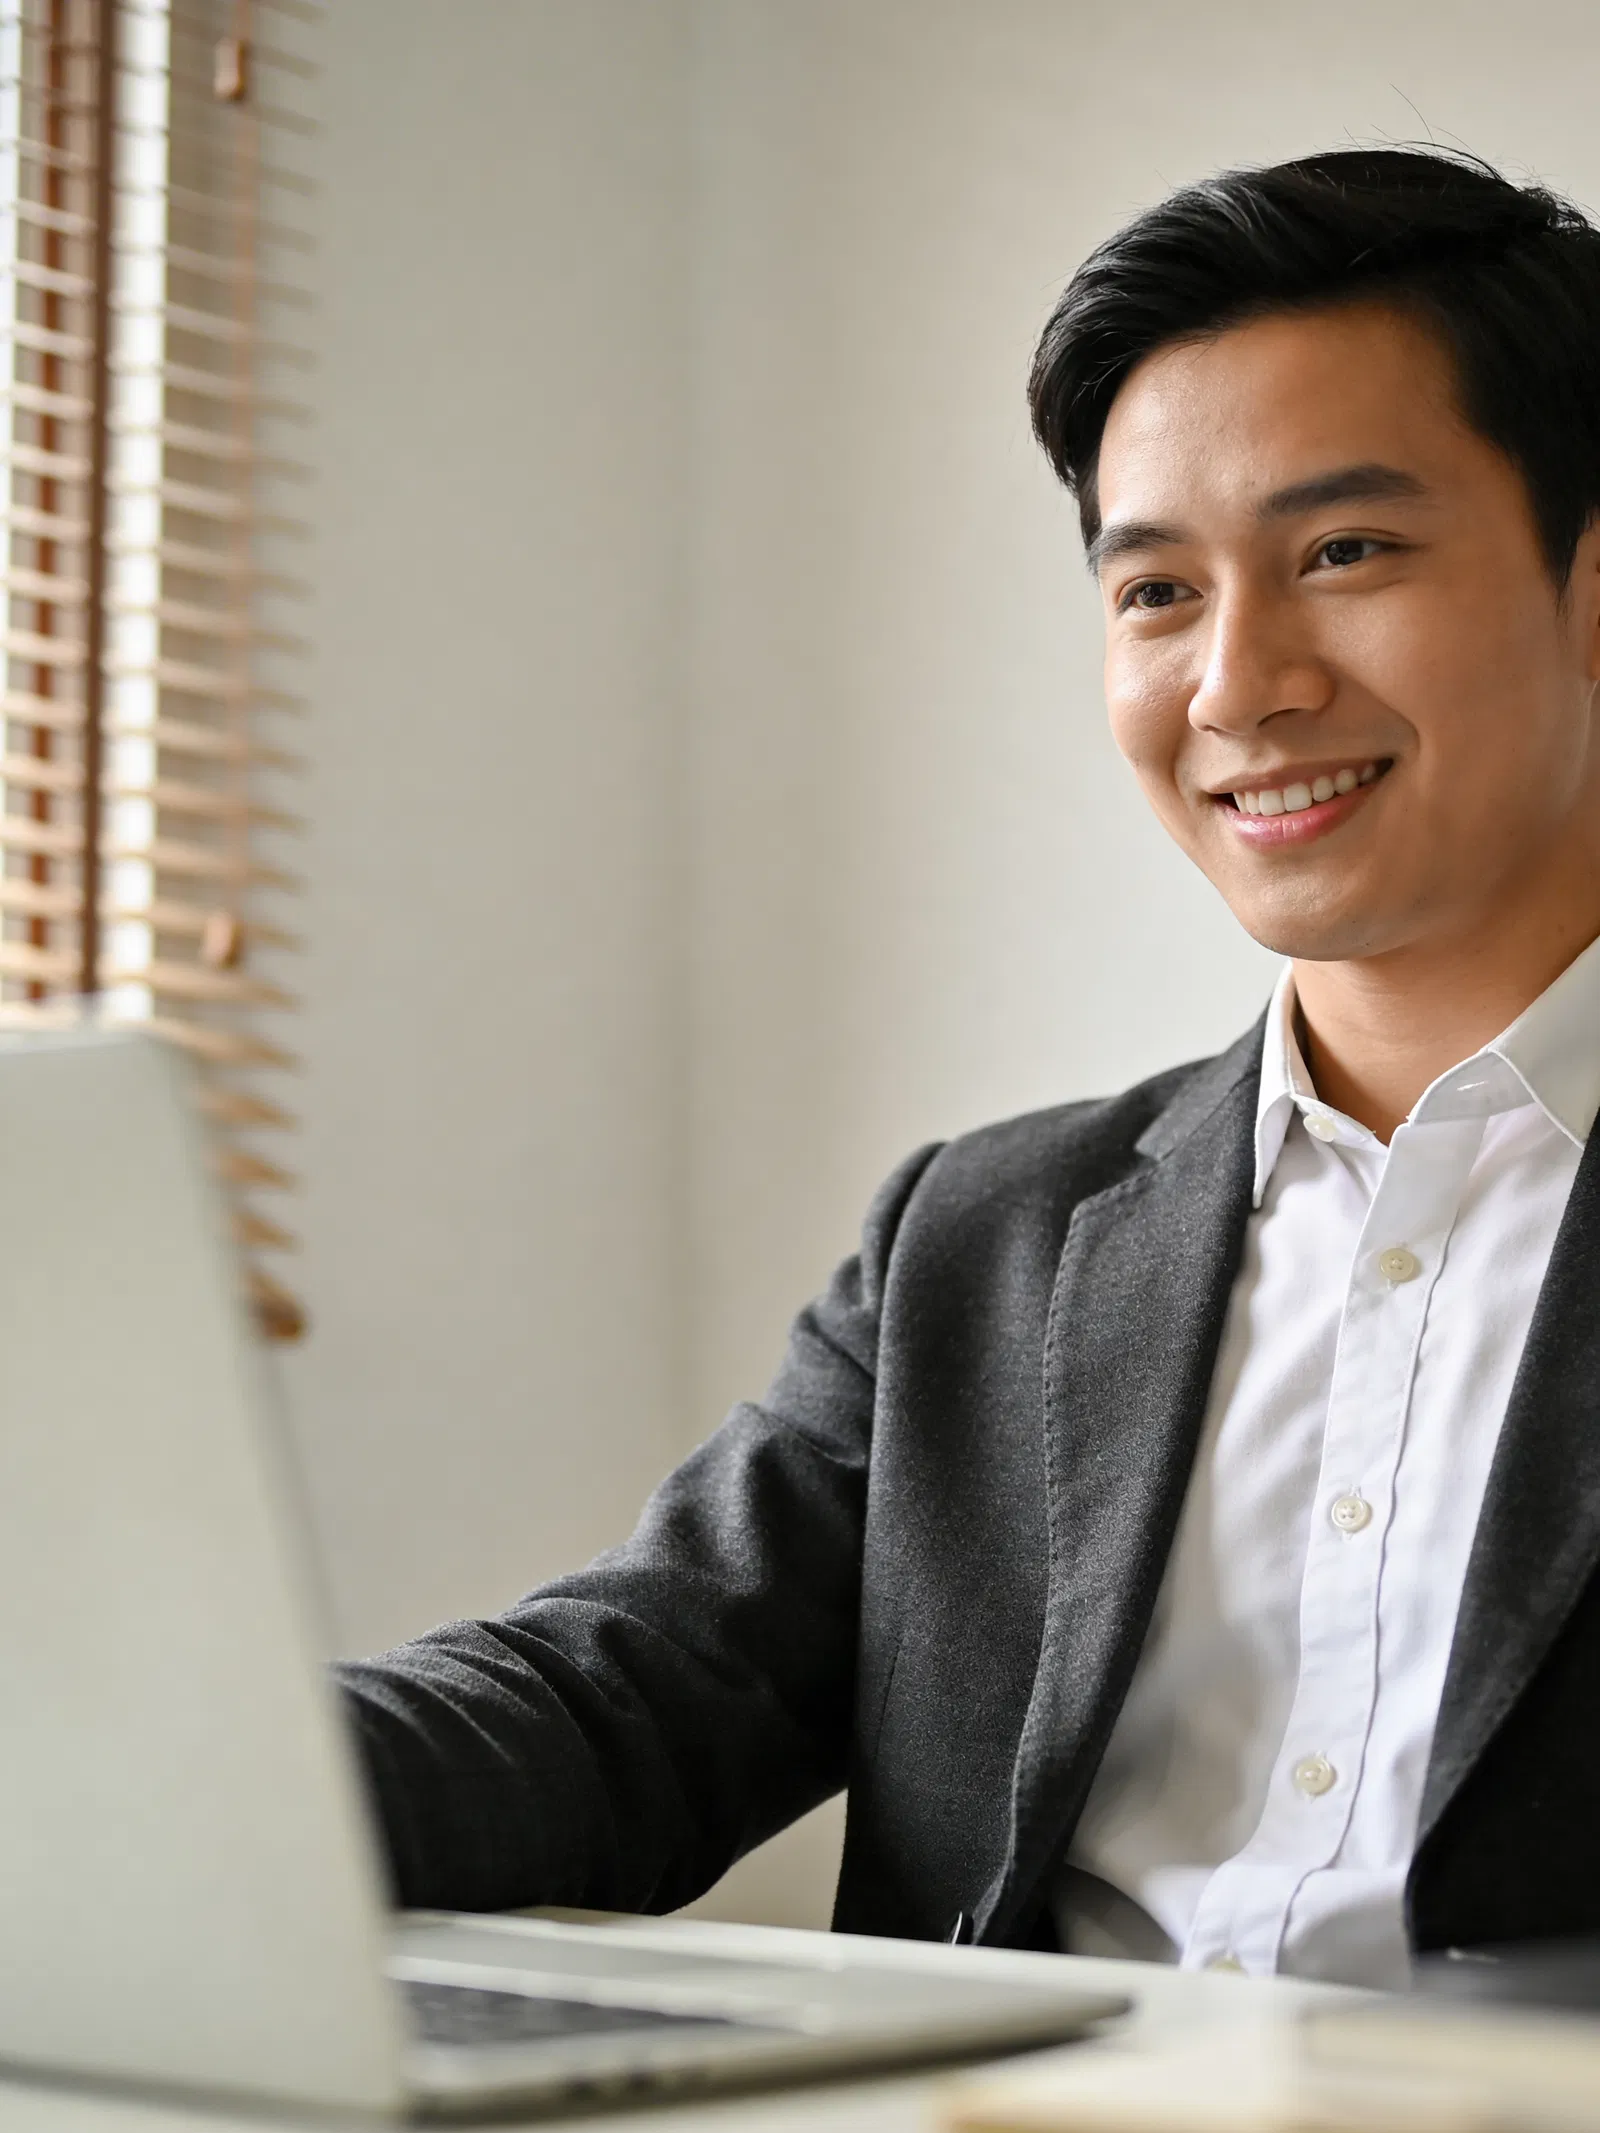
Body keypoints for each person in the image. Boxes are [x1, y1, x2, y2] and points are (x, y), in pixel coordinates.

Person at [336, 146, 1600, 1991]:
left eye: (1344, 553)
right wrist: (162, 1774)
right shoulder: (985, 1238)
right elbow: (628, 1700)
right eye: (1156, 593)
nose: (1237, 686)